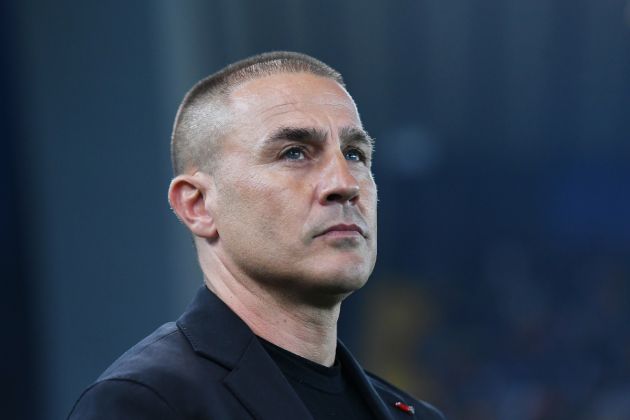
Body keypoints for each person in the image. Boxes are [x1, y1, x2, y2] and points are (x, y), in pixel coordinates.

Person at [68, 51, 444, 420]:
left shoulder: (416, 415)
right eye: (295, 153)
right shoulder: (148, 403)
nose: (344, 184)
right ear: (197, 205)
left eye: (355, 155)